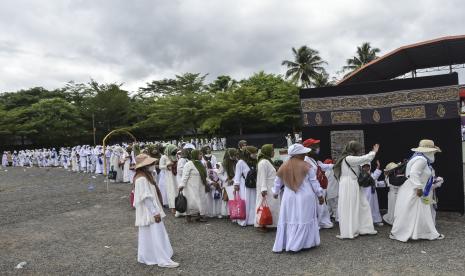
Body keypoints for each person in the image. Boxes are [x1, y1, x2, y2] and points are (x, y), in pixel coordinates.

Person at [272, 144, 324, 252]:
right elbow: (314, 182)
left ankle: (289, 243)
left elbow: (277, 182)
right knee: (304, 218)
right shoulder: (307, 166)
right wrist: (319, 195)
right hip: (305, 196)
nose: (305, 154)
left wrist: (275, 192)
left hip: (288, 196)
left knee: (290, 217)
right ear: (298, 154)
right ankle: (303, 243)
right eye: (303, 152)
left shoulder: (284, 166)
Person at [390, 139, 445, 242]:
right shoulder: (422, 160)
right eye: (433, 151)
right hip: (415, 190)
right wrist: (418, 187)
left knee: (413, 212)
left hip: (412, 188)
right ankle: (423, 233)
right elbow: (414, 173)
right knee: (415, 211)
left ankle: (417, 232)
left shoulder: (419, 158)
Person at [133, 153, 179, 268]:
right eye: (150, 163)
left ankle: (149, 256)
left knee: (149, 235)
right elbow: (146, 197)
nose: (153, 164)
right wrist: (155, 212)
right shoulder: (142, 178)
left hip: (150, 210)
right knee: (156, 233)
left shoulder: (145, 175)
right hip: (150, 211)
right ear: (144, 166)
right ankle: (162, 259)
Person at [333, 141, 379, 239]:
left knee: (362, 205)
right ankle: (349, 231)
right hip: (349, 184)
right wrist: (373, 152)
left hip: (351, 183)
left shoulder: (347, 158)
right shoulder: (349, 158)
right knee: (351, 206)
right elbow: (364, 158)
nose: (358, 151)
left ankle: (364, 228)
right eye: (357, 149)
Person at [303, 138, 333, 229]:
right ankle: (316, 224)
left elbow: (322, 166)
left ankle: (322, 222)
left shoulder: (313, 159)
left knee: (321, 207)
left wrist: (335, 165)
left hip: (318, 187)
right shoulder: (306, 160)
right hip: (312, 187)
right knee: (317, 207)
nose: (317, 148)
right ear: (308, 149)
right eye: (315, 146)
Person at [179, 150, 209, 222]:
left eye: (201, 154)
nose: (201, 156)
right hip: (190, 186)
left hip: (200, 185)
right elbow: (185, 176)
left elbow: (205, 175)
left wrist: (209, 182)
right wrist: (182, 185)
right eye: (199, 154)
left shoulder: (201, 164)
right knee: (191, 200)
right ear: (195, 155)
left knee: (201, 200)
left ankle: (200, 215)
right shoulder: (189, 164)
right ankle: (188, 216)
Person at [255, 144, 279, 231]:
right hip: (267, 188)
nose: (273, 152)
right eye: (272, 150)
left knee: (271, 206)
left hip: (270, 186)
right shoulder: (263, 162)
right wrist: (263, 189)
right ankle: (263, 224)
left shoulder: (267, 161)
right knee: (265, 206)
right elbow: (262, 176)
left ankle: (270, 223)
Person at [233, 146, 258, 227]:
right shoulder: (241, 162)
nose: (255, 154)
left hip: (254, 185)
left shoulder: (255, 161)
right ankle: (244, 219)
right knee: (246, 202)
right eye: (253, 153)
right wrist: (236, 184)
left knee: (254, 201)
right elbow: (237, 174)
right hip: (244, 186)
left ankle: (253, 219)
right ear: (248, 153)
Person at [361, 160, 384, 226]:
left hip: (372, 193)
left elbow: (374, 178)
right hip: (365, 193)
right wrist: (378, 167)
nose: (366, 168)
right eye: (364, 167)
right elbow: (373, 178)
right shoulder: (361, 174)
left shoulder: (370, 174)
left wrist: (378, 167)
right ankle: (367, 221)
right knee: (367, 206)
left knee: (374, 206)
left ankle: (376, 220)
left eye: (367, 166)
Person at [164, 144, 179, 214]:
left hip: (176, 175)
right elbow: (161, 166)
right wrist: (167, 165)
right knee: (171, 191)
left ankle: (179, 206)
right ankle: (173, 207)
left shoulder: (176, 156)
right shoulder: (164, 157)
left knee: (177, 190)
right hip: (169, 176)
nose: (175, 151)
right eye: (174, 150)